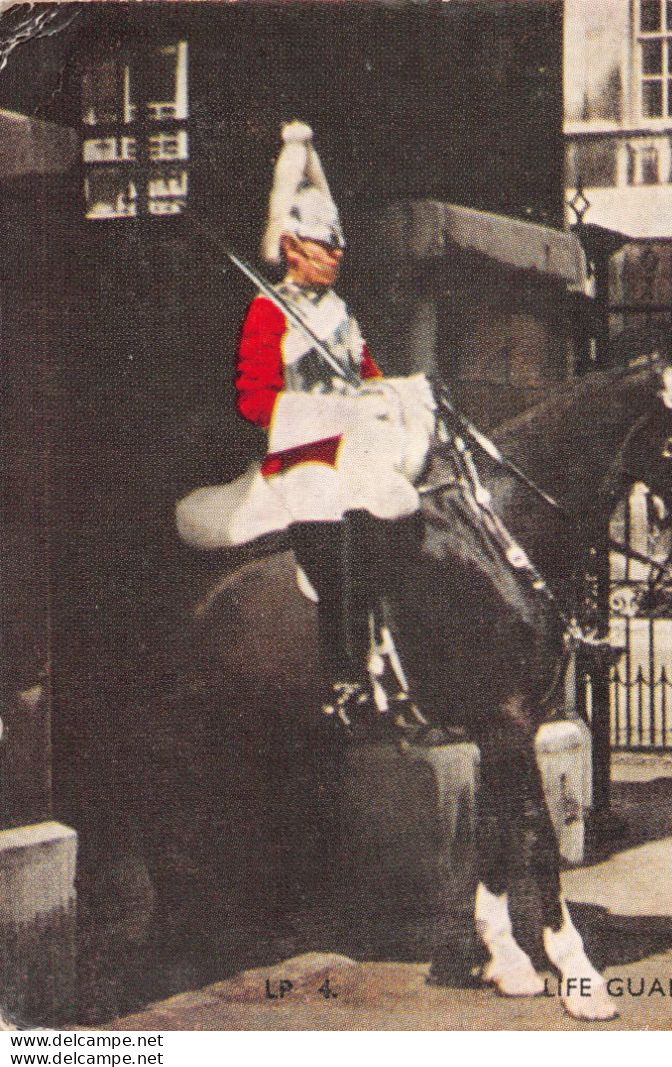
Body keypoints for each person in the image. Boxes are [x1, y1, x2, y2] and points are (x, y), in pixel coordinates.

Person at [235, 121, 415, 725]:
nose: (335, 254)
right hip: (300, 457)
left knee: (405, 500)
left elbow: (369, 377)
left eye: (338, 245)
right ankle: (341, 675)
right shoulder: (269, 311)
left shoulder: (341, 314)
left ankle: (396, 651)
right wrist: (328, 415)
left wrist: (388, 400)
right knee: (332, 519)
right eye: (323, 245)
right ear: (291, 246)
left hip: (351, 451)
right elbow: (255, 400)